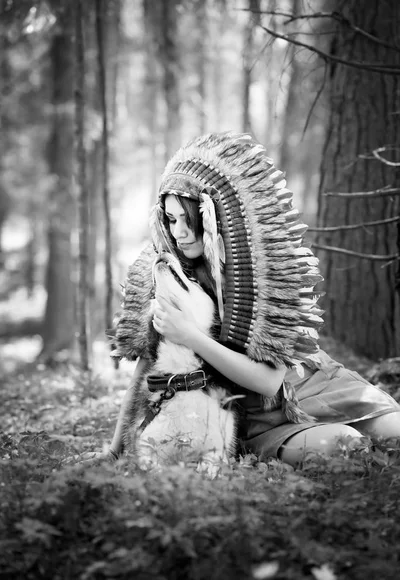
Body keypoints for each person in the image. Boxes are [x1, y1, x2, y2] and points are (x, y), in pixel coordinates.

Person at [109, 132, 400, 468]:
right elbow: (148, 363)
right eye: (171, 220)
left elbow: (269, 379)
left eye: (189, 219)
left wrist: (191, 336)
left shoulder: (262, 267)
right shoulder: (168, 271)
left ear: (213, 214)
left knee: (395, 433)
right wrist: (115, 449)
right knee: (347, 448)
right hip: (258, 417)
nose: (179, 232)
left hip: (316, 384)